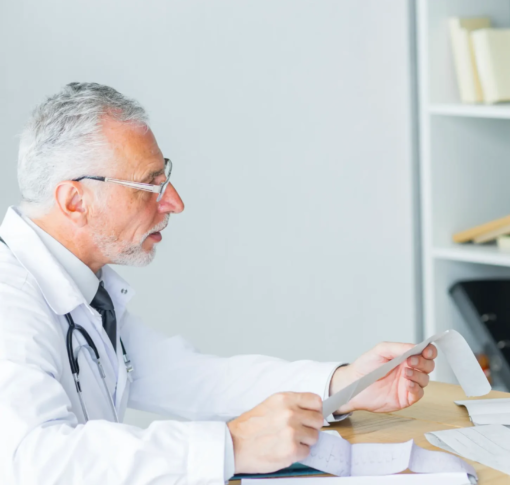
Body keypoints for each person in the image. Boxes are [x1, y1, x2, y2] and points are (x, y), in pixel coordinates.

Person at [0, 82, 437, 484]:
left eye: (165, 178)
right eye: (149, 185)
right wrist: (231, 445)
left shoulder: (84, 289)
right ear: (74, 201)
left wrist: (345, 384)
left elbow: (192, 377)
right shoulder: (10, 298)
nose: (174, 202)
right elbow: (33, 461)